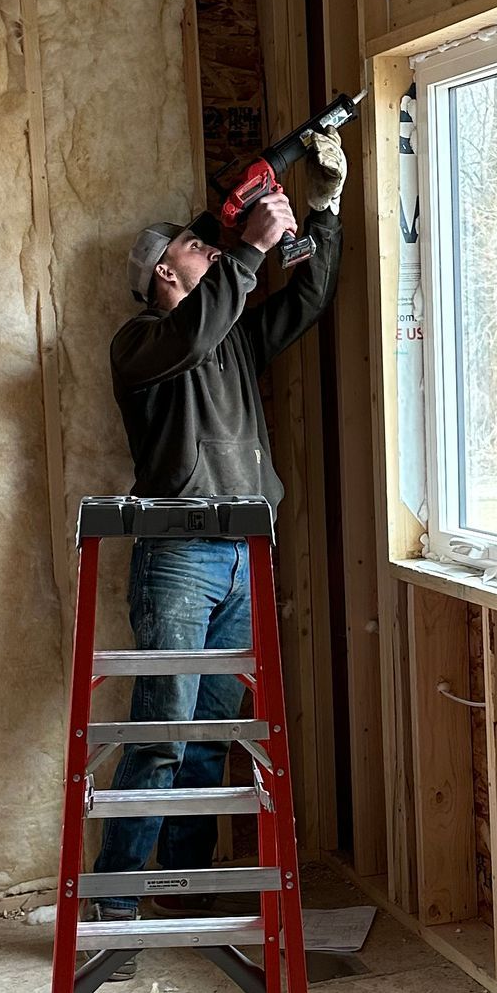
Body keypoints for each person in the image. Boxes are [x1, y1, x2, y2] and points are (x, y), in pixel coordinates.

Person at [87, 129, 347, 917]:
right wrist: (248, 252)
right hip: (179, 558)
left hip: (243, 553)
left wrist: (322, 215)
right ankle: (120, 901)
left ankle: (186, 890)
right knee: (163, 731)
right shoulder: (141, 346)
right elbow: (195, 329)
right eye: (200, 249)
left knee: (209, 739)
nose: (217, 250)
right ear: (167, 273)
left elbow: (303, 299)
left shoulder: (228, 337)